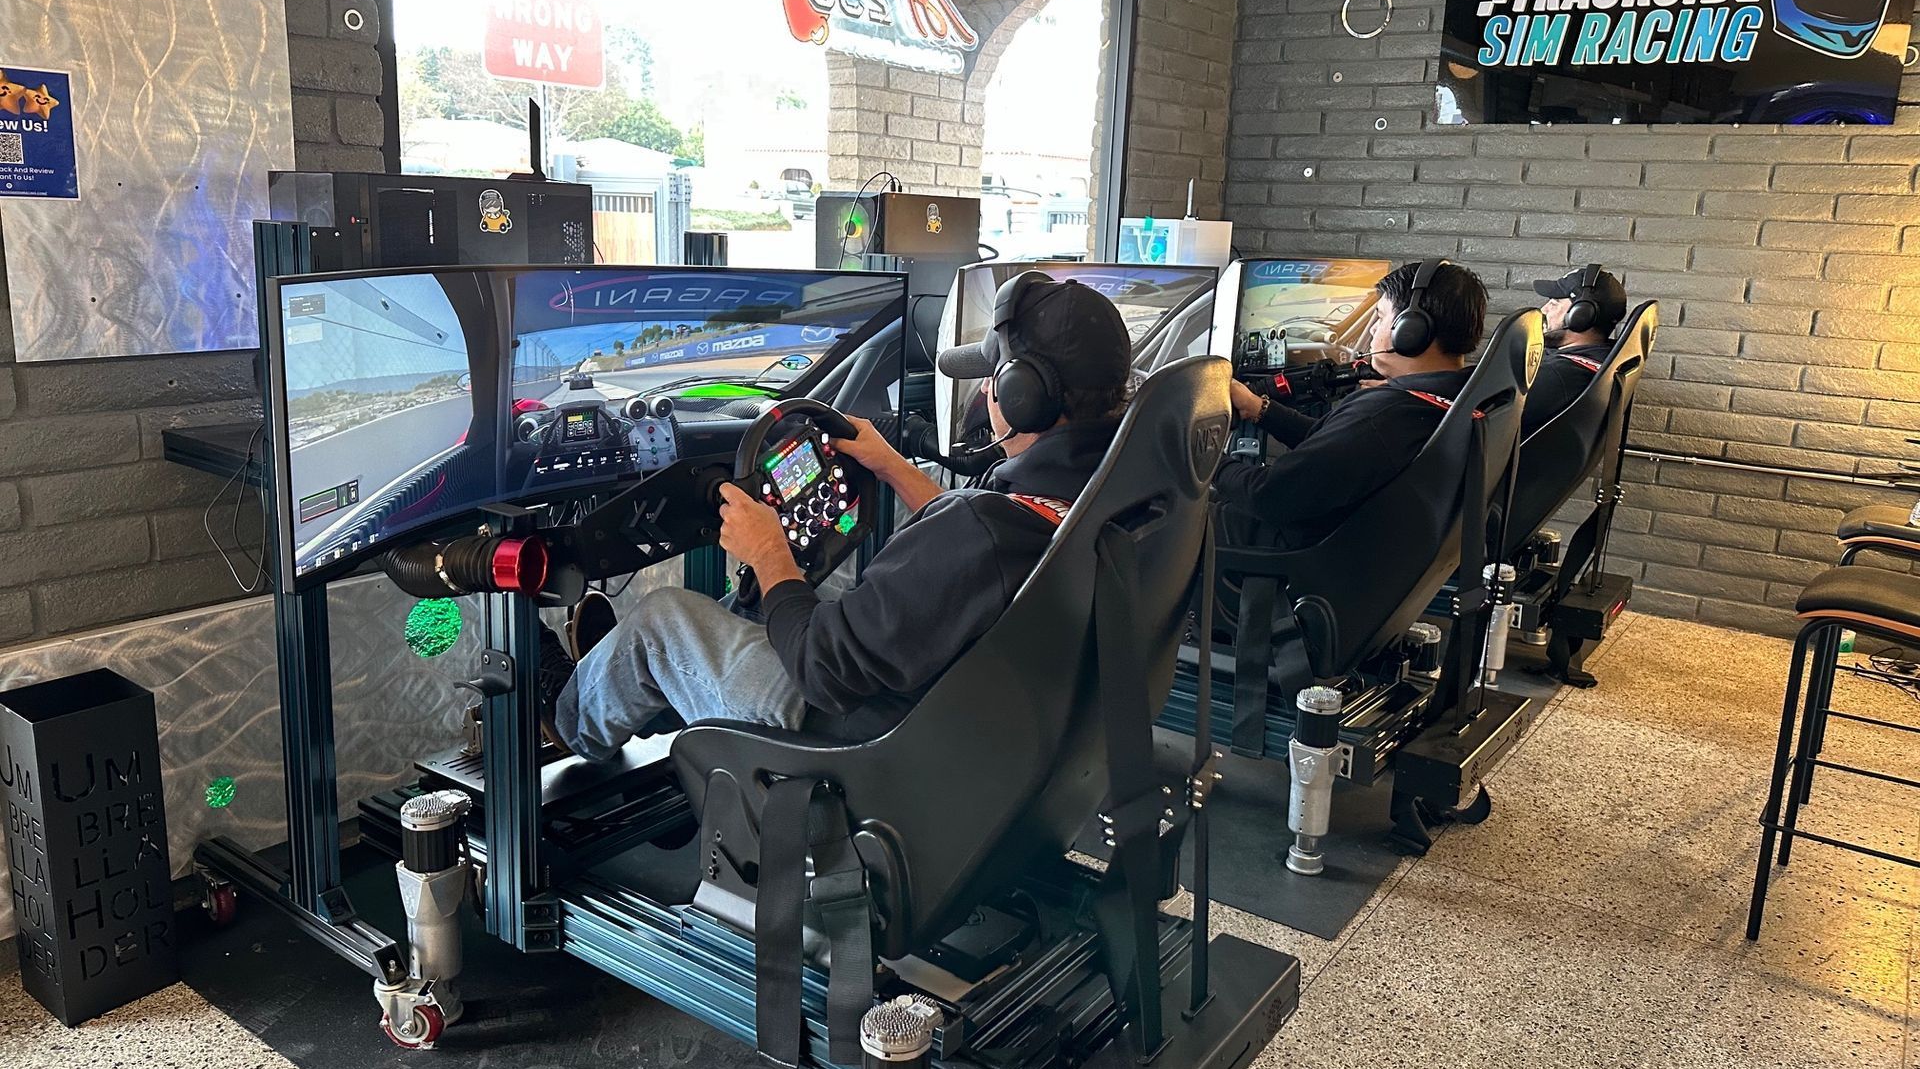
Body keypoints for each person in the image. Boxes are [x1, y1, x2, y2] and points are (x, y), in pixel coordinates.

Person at [541, 274, 1134, 758]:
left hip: (847, 736)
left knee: (661, 622)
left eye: (993, 379)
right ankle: (636, 700)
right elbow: (974, 561)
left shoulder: (986, 530)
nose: (986, 395)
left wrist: (769, 552)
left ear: (1027, 396)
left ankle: (564, 723)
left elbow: (823, 668)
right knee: (752, 608)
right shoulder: (1097, 495)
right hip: (966, 730)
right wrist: (895, 467)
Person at [1213, 258, 1490, 551]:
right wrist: (1259, 408)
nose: (1373, 331)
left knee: (1168, 509)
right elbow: (1333, 448)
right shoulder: (1457, 399)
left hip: (1288, 554)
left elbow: (1267, 496)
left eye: (1381, 317)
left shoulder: (1386, 414)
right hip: (1356, 552)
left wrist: (1204, 458)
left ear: (1411, 330)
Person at [1523, 264, 1629, 437]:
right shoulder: (1600, 358)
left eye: (1554, 303)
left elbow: (1479, 415)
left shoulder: (1559, 376)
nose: (1543, 310)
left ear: (1581, 316)